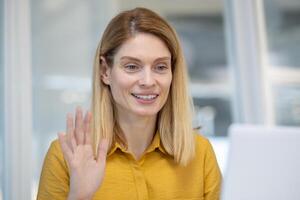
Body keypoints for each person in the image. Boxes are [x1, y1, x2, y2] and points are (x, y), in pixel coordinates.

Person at [37, 7, 221, 200]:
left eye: (160, 67)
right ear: (105, 71)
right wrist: (79, 196)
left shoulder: (200, 154)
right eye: (132, 66)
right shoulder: (66, 157)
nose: (148, 81)